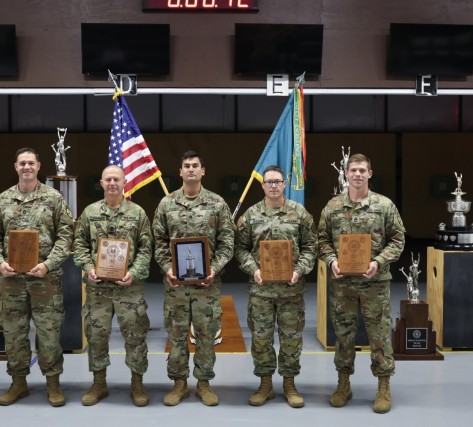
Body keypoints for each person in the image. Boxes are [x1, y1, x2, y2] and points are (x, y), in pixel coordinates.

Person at [0, 147, 73, 407]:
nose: (26, 167)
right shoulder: (2, 200)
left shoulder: (54, 198)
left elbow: (66, 236)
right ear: (15, 167)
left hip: (45, 280)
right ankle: (18, 382)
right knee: (13, 333)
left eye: (31, 163)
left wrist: (48, 264)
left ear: (39, 166)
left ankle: (53, 383)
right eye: (22, 163)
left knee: (49, 333)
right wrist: (0, 263)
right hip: (12, 282)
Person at [317, 153, 405, 414]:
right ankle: (343, 384)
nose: (357, 174)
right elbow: (321, 240)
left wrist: (378, 261)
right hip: (343, 285)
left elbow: (398, 240)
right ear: (346, 174)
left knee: (379, 335)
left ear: (370, 173)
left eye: (361, 170)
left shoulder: (384, 206)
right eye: (352, 170)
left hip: (375, 283)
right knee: (343, 336)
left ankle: (384, 386)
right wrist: (332, 260)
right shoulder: (332, 207)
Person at [152, 150, 235, 407]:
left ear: (203, 171)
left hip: (206, 286)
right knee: (176, 335)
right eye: (186, 165)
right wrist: (167, 268)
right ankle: (179, 384)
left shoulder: (217, 204)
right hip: (176, 286)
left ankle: (203, 383)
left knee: (206, 335)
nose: (190, 169)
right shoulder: (166, 204)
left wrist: (214, 269)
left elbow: (227, 243)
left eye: (195, 165)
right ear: (180, 172)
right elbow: (159, 242)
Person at [234, 165, 317, 408]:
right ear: (263, 186)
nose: (272, 185)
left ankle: (290, 383)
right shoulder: (250, 215)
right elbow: (239, 248)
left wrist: (299, 270)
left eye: (277, 181)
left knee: (291, 339)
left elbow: (312, 247)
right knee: (261, 338)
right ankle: (265, 384)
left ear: (284, 184)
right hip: (261, 291)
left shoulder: (299, 213)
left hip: (291, 290)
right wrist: (254, 269)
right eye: (268, 182)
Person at [73, 165, 152, 407]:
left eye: (117, 179)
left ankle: (137, 383)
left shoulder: (138, 214)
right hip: (99, 291)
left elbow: (147, 249)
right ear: (101, 182)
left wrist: (134, 273)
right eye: (108, 179)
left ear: (124, 181)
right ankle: (99, 383)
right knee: (96, 336)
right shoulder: (90, 213)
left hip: (129, 289)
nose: (113, 183)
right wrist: (89, 268)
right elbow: (79, 247)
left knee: (135, 336)